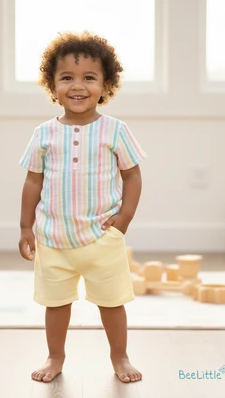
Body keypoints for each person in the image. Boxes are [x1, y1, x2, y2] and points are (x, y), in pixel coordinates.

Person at [18, 31, 147, 384]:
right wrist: (26, 226)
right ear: (52, 85)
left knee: (112, 301)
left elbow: (133, 176)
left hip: (102, 237)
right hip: (53, 238)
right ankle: (55, 356)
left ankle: (120, 356)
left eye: (89, 77)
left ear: (106, 85)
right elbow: (32, 182)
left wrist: (123, 219)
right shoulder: (43, 134)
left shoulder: (115, 130)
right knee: (56, 302)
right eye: (67, 78)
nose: (78, 86)